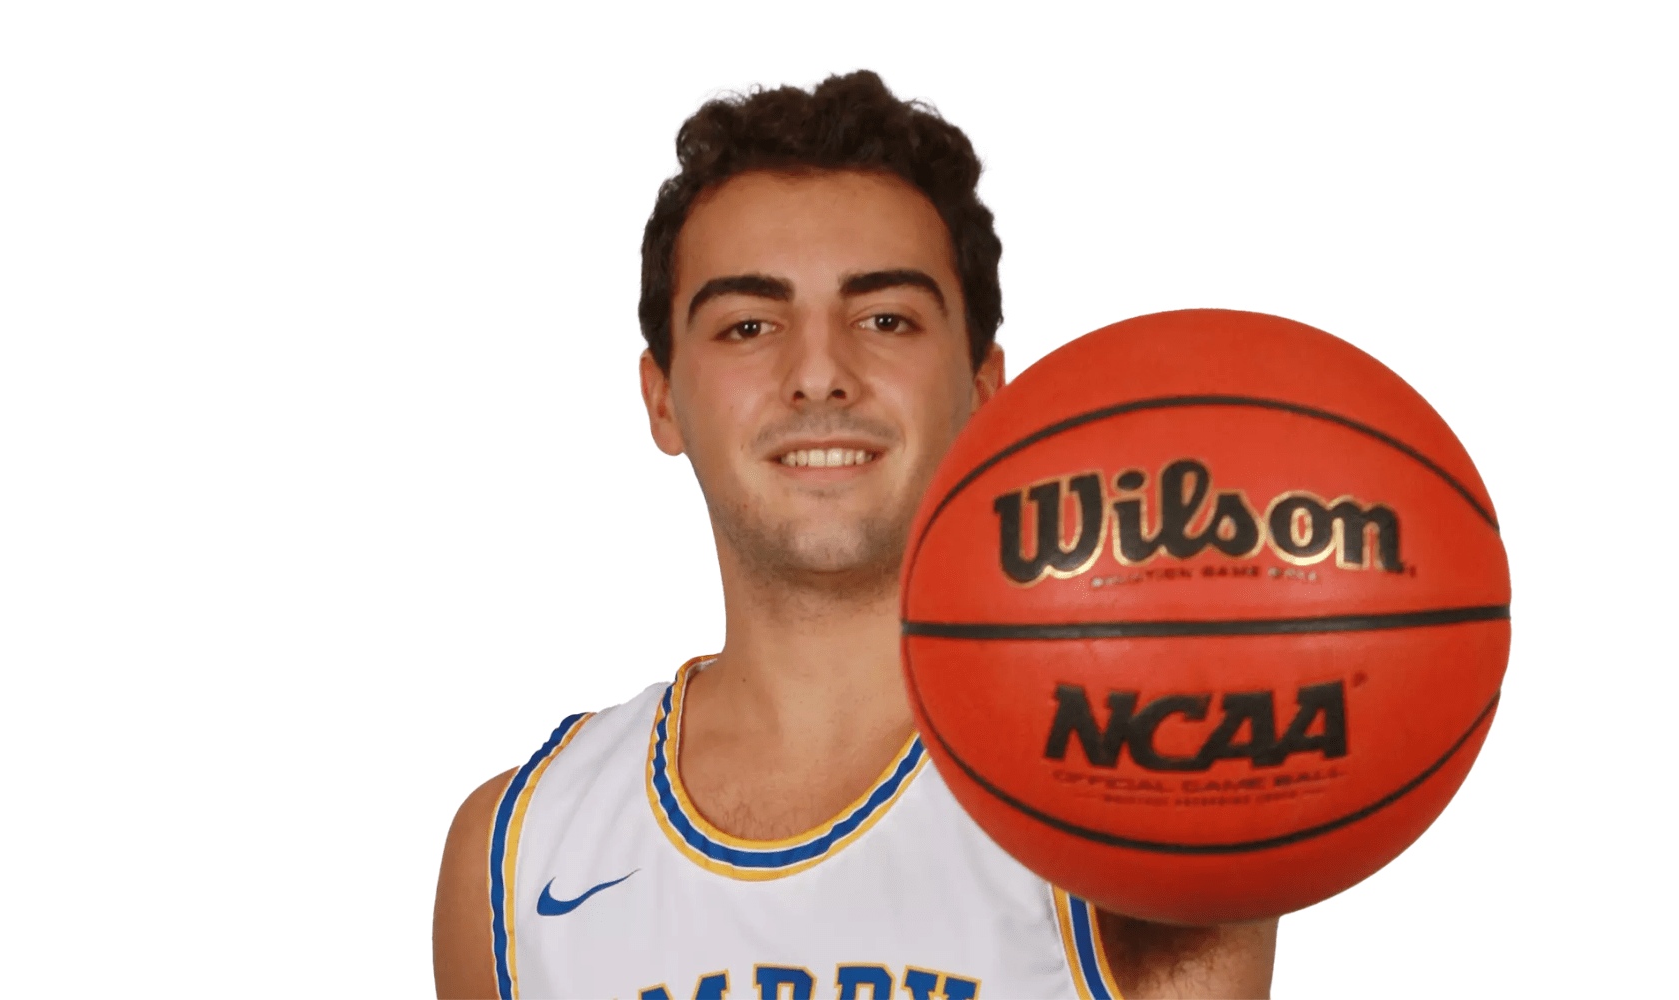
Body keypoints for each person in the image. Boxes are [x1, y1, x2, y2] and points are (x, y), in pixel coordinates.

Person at [433, 71, 1278, 999]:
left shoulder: (1137, 793)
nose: (821, 373)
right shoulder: (515, 852)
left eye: (885, 319)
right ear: (662, 398)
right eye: (749, 325)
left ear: (984, 391)